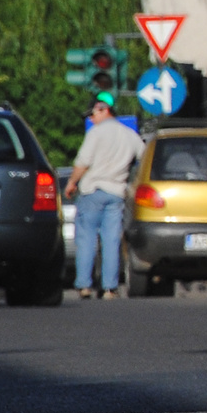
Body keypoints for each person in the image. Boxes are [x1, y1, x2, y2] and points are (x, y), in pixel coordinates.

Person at [64, 92, 144, 299]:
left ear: (103, 109)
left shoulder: (96, 134)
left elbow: (83, 162)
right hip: (117, 193)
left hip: (93, 191)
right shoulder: (129, 135)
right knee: (111, 241)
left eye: (92, 114)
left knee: (87, 238)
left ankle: (84, 285)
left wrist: (72, 183)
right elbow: (143, 158)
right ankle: (110, 288)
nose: (91, 119)